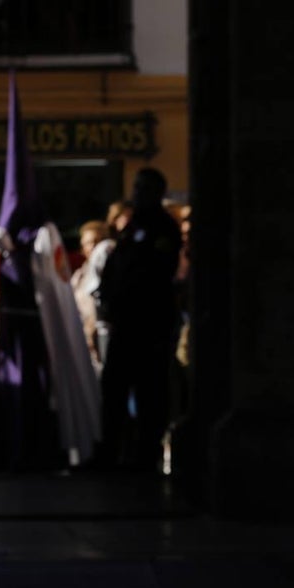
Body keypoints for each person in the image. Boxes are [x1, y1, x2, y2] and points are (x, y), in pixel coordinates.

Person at [0, 73, 101, 472]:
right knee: (5, 393)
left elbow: (52, 278)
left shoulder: (46, 234)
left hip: (38, 333)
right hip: (6, 335)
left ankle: (41, 453)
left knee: (38, 391)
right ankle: (5, 452)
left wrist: (24, 254)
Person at [97, 168, 183, 473]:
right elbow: (116, 265)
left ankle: (145, 457)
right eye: (136, 187)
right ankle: (111, 451)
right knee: (114, 390)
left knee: (150, 393)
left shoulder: (164, 228)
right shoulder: (132, 226)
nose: (137, 193)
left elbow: (154, 272)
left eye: (144, 188)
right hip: (124, 323)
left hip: (149, 324)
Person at [69, 219, 113, 372]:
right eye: (88, 242)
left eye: (97, 241)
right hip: (84, 347)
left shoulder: (111, 274)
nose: (93, 246)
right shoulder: (78, 277)